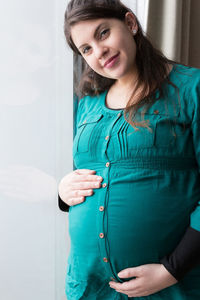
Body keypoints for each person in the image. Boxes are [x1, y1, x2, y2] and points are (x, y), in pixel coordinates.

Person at [58, 0, 200, 299]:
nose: (98, 52)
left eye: (103, 33)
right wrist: (62, 191)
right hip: (89, 286)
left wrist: (172, 269)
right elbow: (96, 175)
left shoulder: (191, 89)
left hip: (171, 287)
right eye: (86, 49)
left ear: (131, 24)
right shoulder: (87, 104)